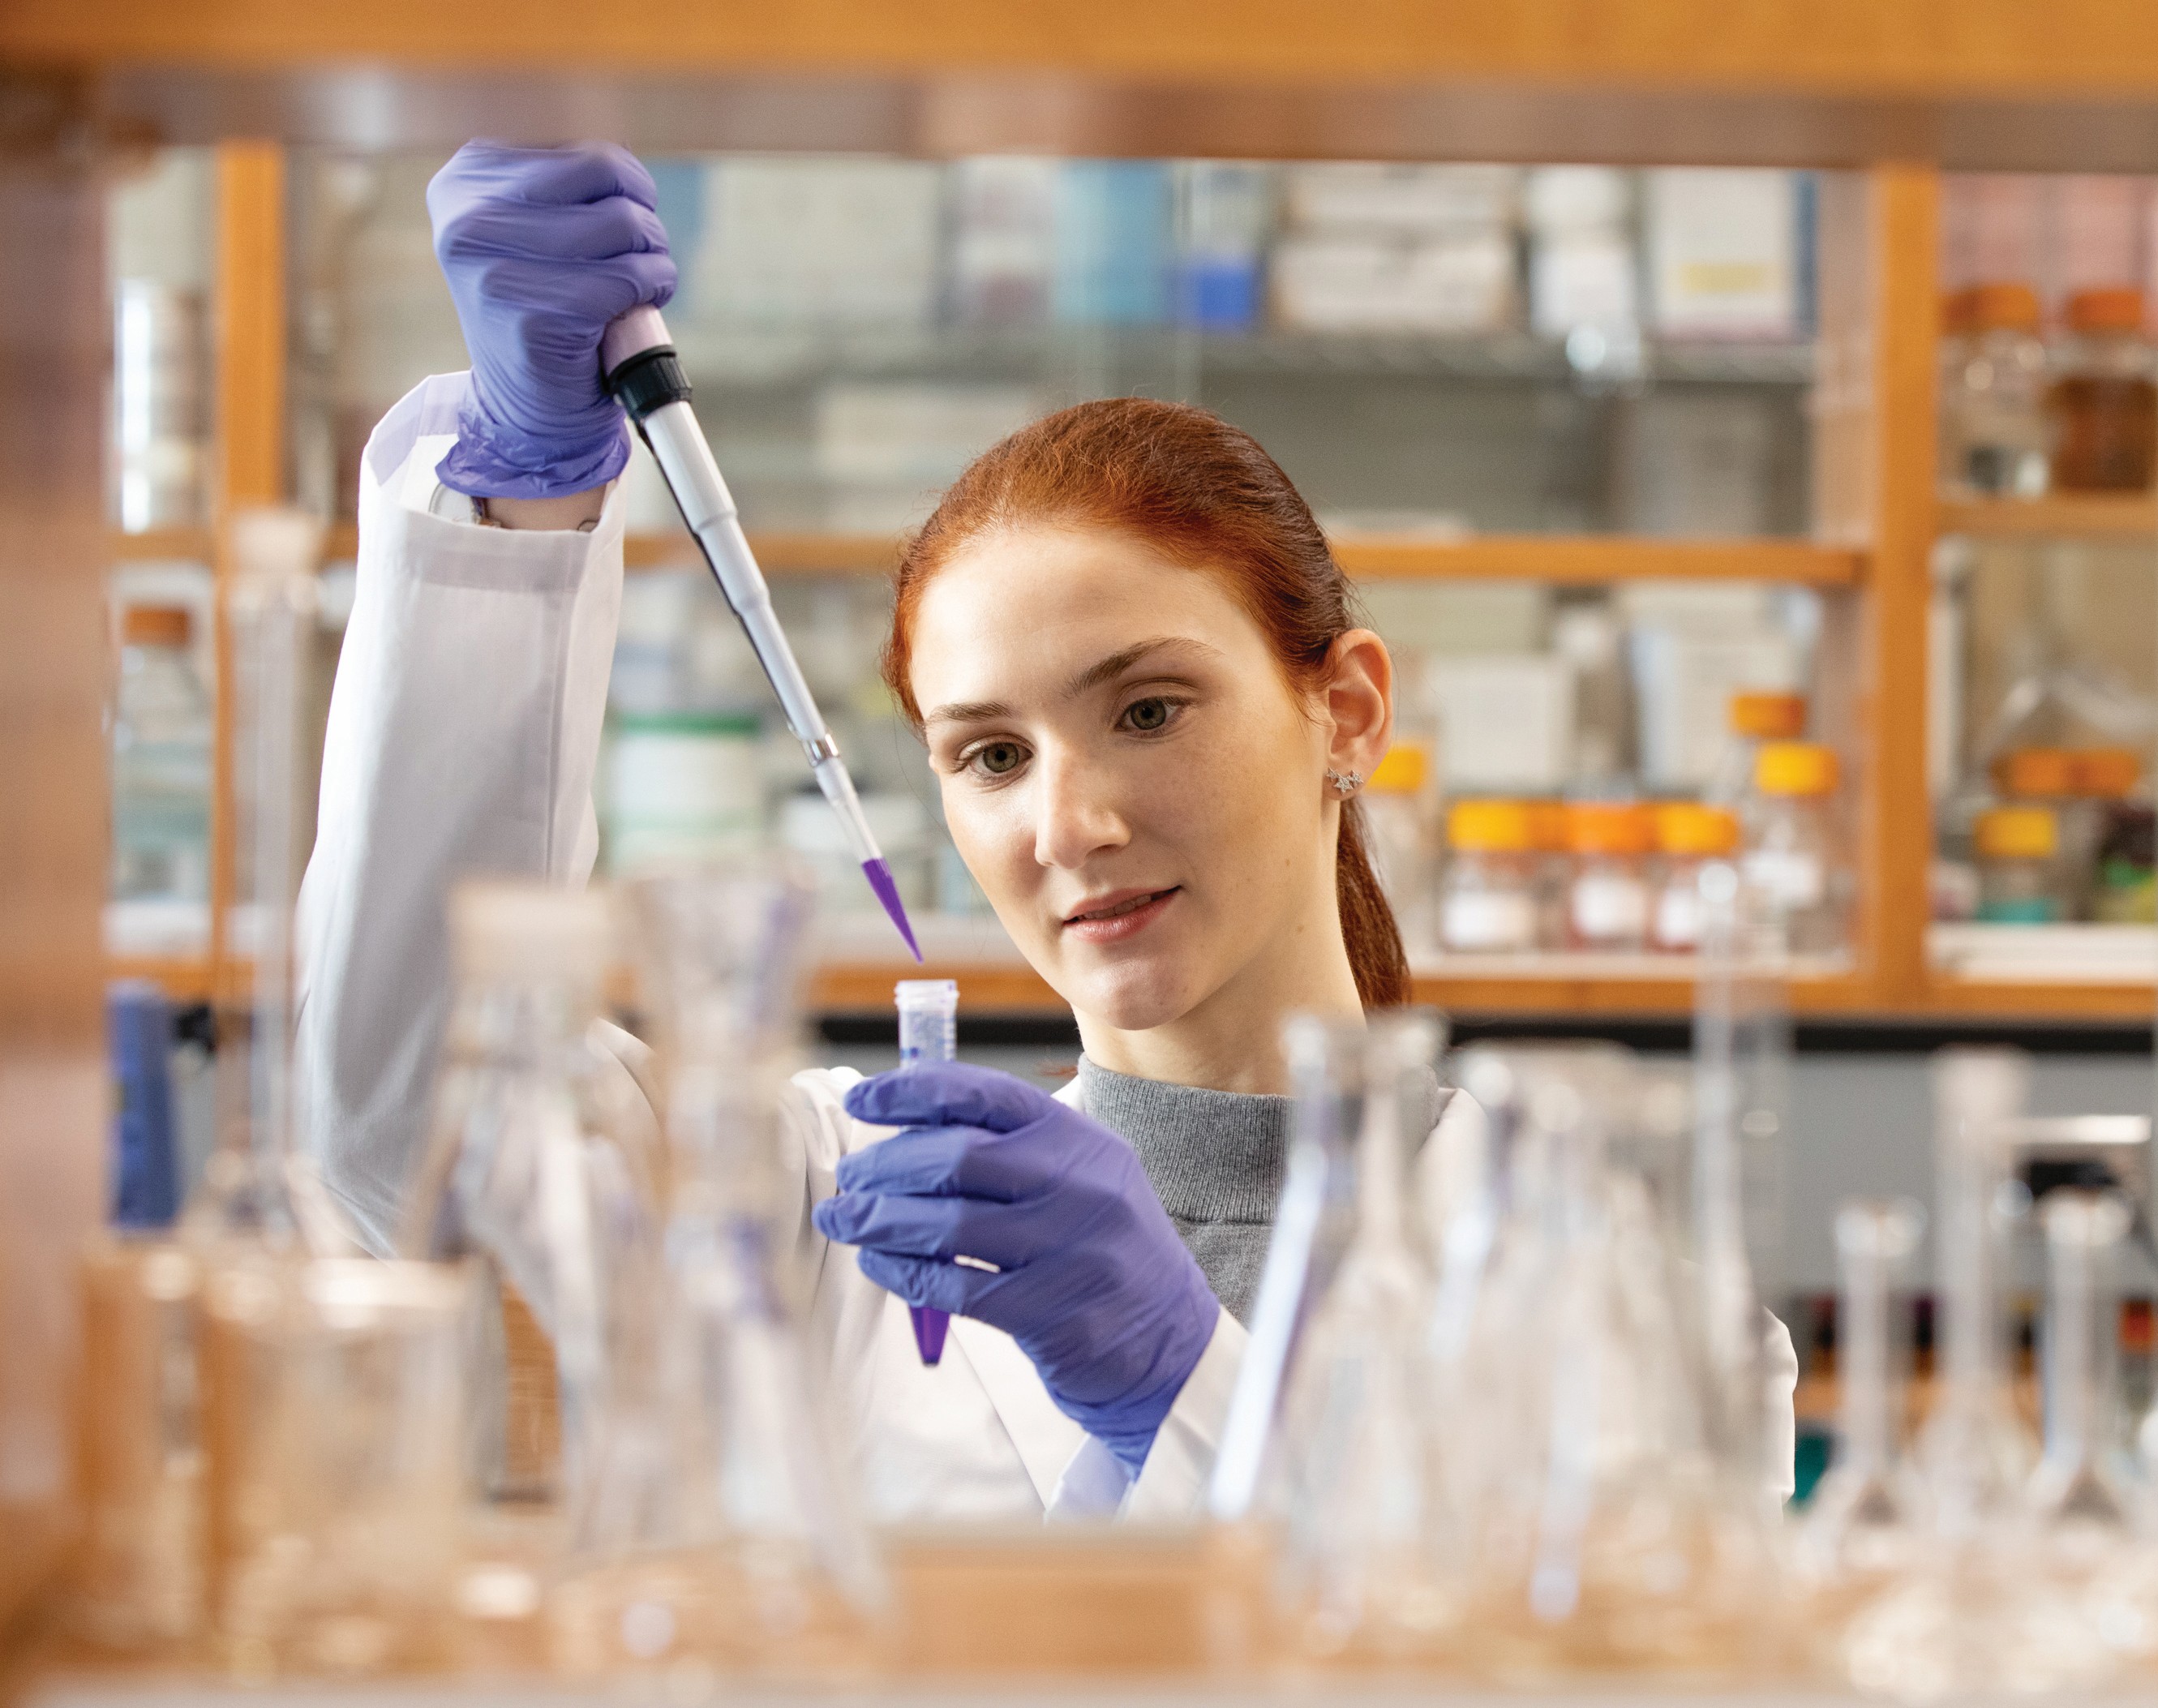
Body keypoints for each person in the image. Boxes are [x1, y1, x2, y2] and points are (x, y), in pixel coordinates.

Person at [293, 140, 1487, 1521]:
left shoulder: (1601, 1281)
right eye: (989, 754)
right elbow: (410, 1116)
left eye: (1149, 710)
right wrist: (523, 492)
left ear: (1343, 709)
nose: (1070, 823)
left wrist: (1179, 1379)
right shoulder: (835, 1210)